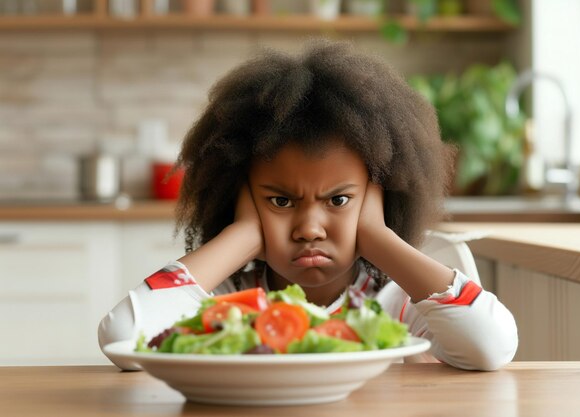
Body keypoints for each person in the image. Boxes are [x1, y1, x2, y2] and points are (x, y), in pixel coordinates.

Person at [98, 39, 518, 371]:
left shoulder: (399, 302)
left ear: (379, 197)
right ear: (238, 197)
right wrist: (240, 238)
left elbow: (492, 347)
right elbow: (123, 337)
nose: (310, 228)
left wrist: (378, 237)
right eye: (280, 200)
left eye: (339, 199)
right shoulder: (226, 302)